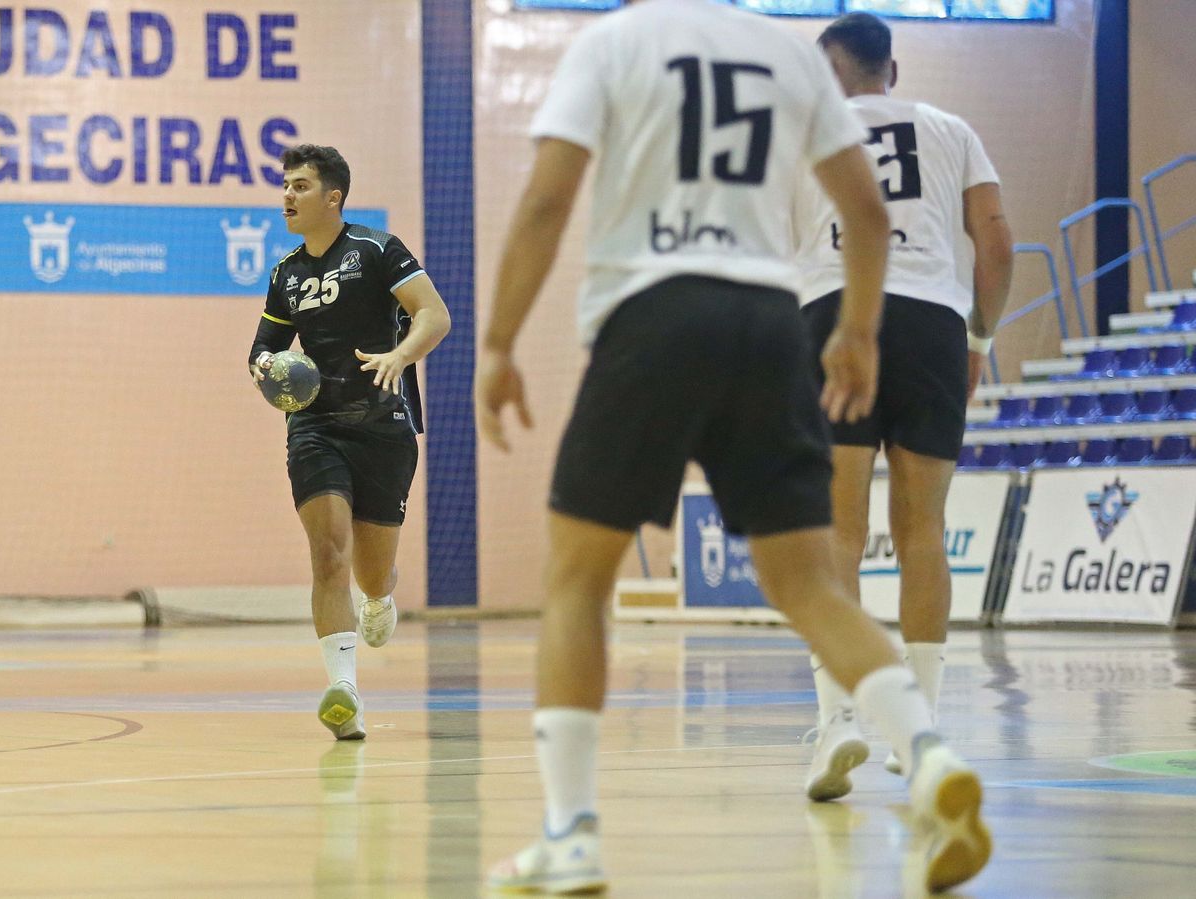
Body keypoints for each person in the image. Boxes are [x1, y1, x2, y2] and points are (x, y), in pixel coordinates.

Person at [474, 1, 988, 893]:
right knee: (808, 585)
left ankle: (571, 833)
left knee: (577, 578)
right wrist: (858, 331)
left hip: (653, 315)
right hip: (766, 326)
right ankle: (932, 758)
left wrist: (498, 342)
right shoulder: (785, 54)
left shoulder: (612, 42)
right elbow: (866, 213)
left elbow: (549, 199)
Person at [795, 12, 1014, 790]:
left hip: (833, 314)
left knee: (836, 531)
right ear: (892, 67)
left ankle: (837, 722)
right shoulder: (952, 129)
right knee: (923, 529)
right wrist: (979, 341)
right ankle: (919, 734)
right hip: (930, 323)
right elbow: (996, 243)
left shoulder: (805, 131)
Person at [247, 144, 451, 740]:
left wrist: (400, 355)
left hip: (383, 425)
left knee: (370, 572)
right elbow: (263, 346)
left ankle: (381, 598)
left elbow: (433, 316)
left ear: (332, 198)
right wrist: (266, 368)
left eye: (301, 186)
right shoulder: (285, 273)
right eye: (285, 185)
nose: (287, 195)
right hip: (314, 425)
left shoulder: (376, 249)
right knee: (327, 552)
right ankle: (344, 694)